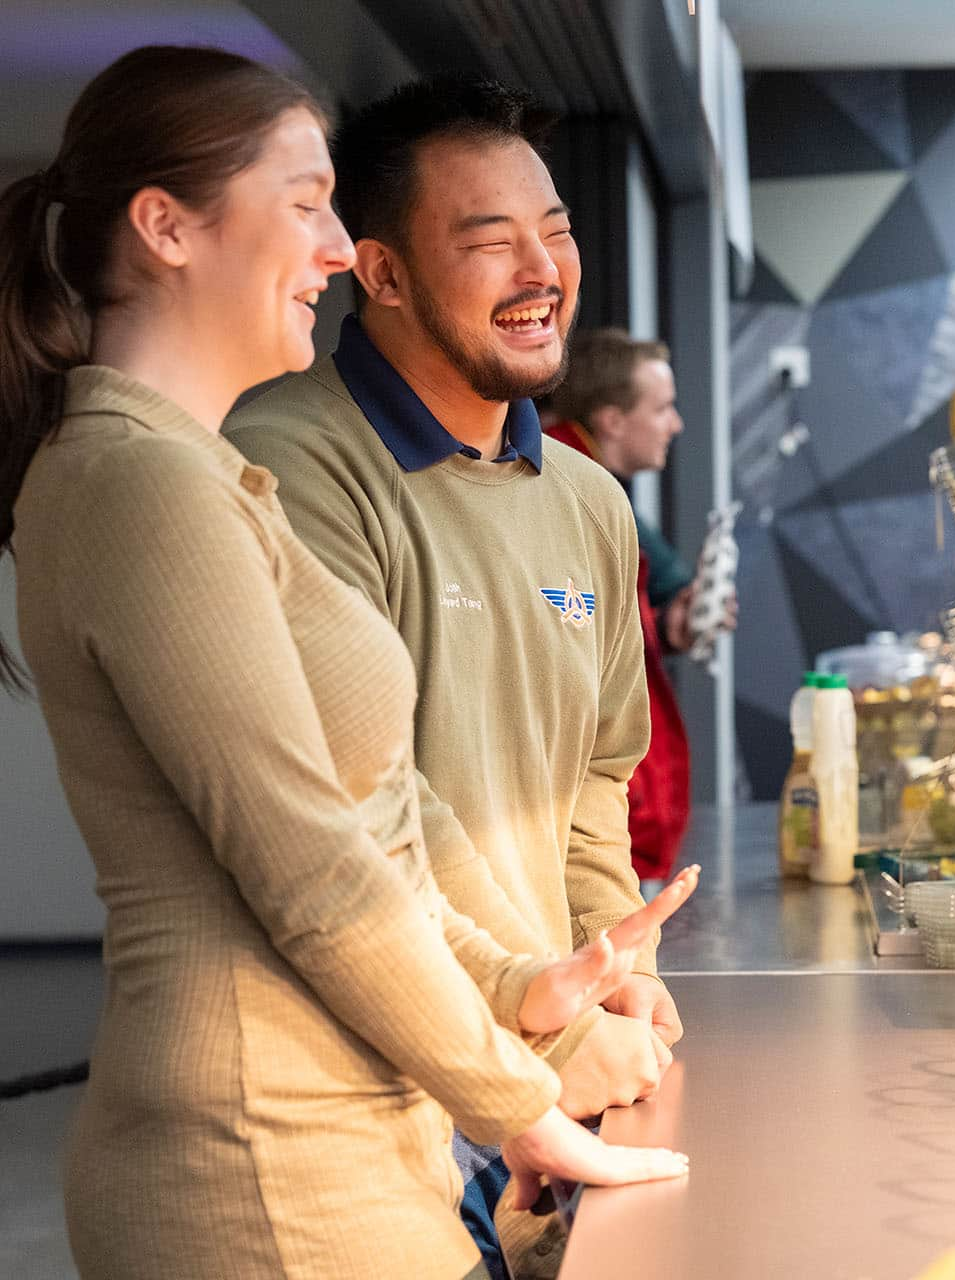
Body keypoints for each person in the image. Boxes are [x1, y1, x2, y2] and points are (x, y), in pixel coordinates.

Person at [0, 47, 693, 1280]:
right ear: (164, 227)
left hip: (353, 1132)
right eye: (306, 204)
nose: (334, 249)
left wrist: (534, 983)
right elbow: (313, 868)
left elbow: (380, 820)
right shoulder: (143, 481)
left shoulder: (207, 471)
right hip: (263, 1158)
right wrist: (518, 1094)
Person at [224, 77, 679, 1278]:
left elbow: (595, 778)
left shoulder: (588, 500)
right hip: (379, 1102)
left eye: (558, 230)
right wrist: (544, 1026)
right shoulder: (290, 465)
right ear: (376, 273)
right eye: (489, 241)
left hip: (547, 1069)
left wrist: (611, 967)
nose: (543, 269)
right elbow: (350, 829)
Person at [545, 329, 697, 879]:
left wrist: (670, 625)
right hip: (586, 822)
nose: (675, 424)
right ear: (611, 421)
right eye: (662, 408)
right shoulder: (560, 484)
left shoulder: (588, 485)